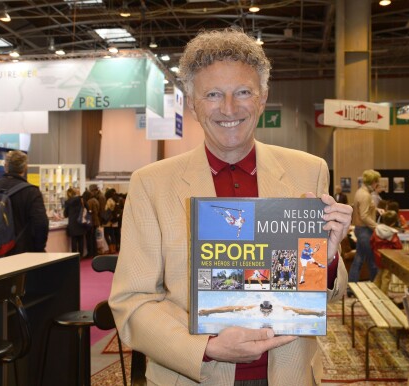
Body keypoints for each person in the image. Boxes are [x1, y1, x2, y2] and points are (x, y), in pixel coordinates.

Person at [109, 27, 352, 386]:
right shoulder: (152, 184)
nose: (229, 109)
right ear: (192, 104)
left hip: (288, 374)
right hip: (193, 375)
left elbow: (330, 292)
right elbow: (133, 301)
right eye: (212, 95)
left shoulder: (309, 170)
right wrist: (205, 346)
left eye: (242, 92)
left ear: (263, 97)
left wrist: (327, 259)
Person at [0, 150, 49, 256]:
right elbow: (41, 224)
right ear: (25, 168)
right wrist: (38, 249)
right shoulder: (31, 192)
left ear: (5, 166)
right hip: (22, 253)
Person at [349, 169, 380, 283]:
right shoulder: (365, 195)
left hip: (360, 229)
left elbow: (363, 210)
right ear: (373, 182)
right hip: (365, 231)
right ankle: (376, 286)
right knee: (372, 260)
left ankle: (351, 287)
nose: (378, 184)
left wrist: (376, 209)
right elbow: (364, 216)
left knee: (359, 259)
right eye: (377, 182)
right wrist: (377, 227)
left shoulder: (360, 192)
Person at [370, 210, 402, 294]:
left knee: (379, 274)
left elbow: (371, 242)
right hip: (388, 258)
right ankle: (383, 296)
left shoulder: (376, 230)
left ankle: (374, 293)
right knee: (386, 277)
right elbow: (398, 246)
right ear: (393, 223)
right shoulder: (393, 234)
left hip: (378, 256)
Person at [63, 187, 87, 258]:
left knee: (74, 240)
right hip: (80, 222)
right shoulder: (81, 200)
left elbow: (65, 214)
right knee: (81, 239)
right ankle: (81, 255)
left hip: (72, 223)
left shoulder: (68, 202)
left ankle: (74, 256)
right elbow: (86, 208)